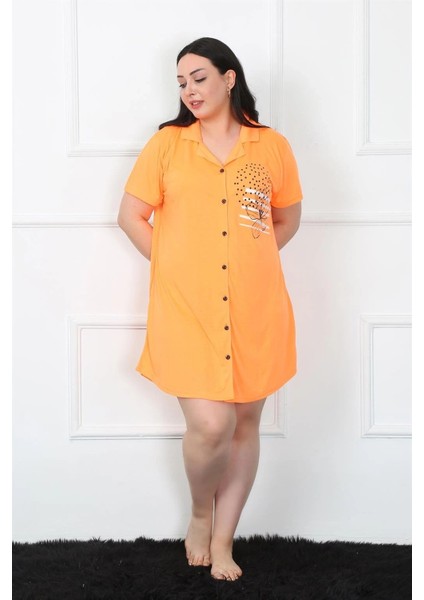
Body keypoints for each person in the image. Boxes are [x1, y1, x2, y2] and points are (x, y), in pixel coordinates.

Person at [118, 37, 303, 582]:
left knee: (244, 424)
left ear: (229, 78)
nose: (189, 91)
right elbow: (130, 216)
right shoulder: (167, 145)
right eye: (181, 83)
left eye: (198, 78)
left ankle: (224, 539)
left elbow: (286, 219)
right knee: (209, 423)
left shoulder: (272, 147)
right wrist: (173, 265)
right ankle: (201, 513)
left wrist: (249, 261)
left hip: (255, 307)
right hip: (187, 308)